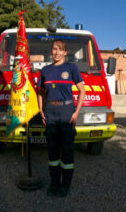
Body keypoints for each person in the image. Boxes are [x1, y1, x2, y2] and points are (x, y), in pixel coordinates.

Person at [37, 39, 85, 197]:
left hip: (67, 111)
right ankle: (54, 184)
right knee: (52, 152)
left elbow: (82, 90)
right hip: (50, 112)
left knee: (67, 151)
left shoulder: (71, 68)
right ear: (51, 52)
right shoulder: (45, 70)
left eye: (59, 49)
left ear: (65, 52)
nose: (56, 52)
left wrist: (76, 112)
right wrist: (41, 110)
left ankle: (65, 186)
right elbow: (40, 92)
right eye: (54, 49)